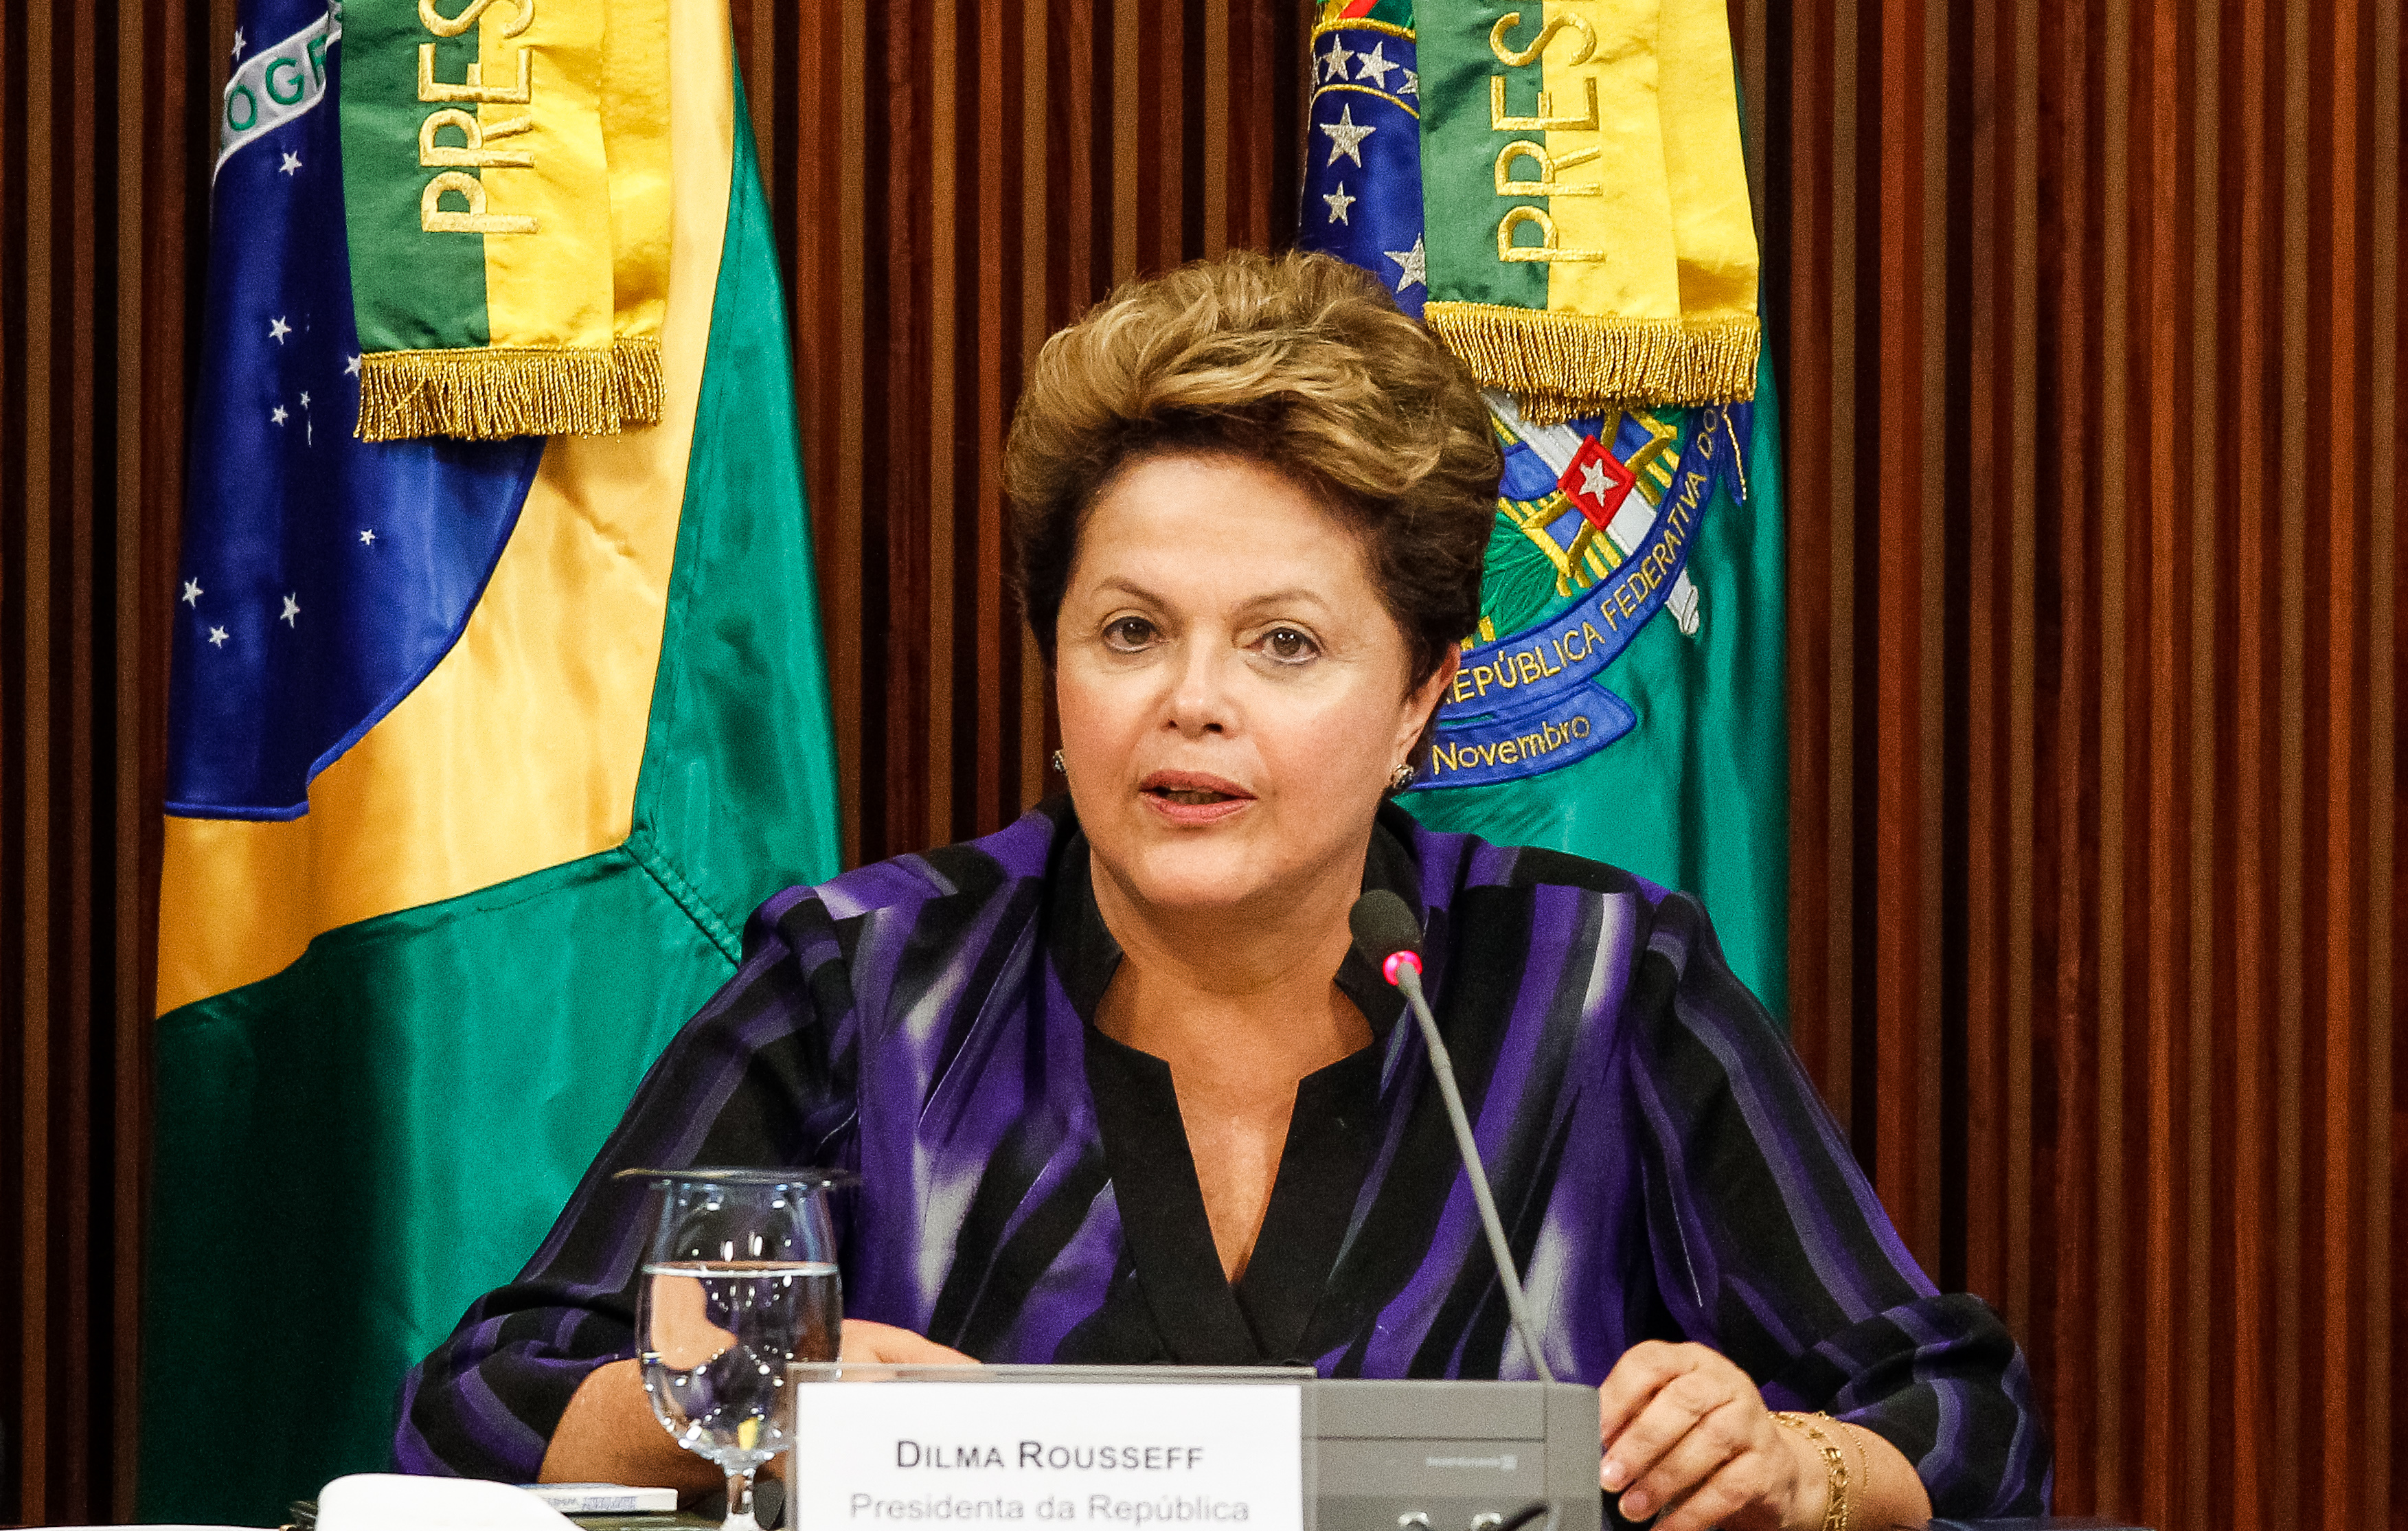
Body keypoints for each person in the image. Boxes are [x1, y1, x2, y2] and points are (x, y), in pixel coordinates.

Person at [399, 251, 2048, 1531]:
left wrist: (1792, 1461)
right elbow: (476, 1404)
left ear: (1418, 697)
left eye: (1285, 644)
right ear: (1056, 663)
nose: (1192, 702)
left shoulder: (1600, 979)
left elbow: (1958, 1412)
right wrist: (746, 1398)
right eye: (1130, 631)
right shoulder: (864, 981)